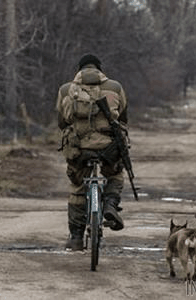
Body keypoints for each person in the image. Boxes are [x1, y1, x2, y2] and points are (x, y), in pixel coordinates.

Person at [56, 54, 128, 251]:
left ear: (79, 70)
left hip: (79, 150)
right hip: (108, 149)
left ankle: (77, 237)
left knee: (78, 186)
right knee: (114, 175)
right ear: (100, 69)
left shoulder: (66, 89)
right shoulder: (115, 87)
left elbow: (62, 122)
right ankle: (110, 206)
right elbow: (123, 117)